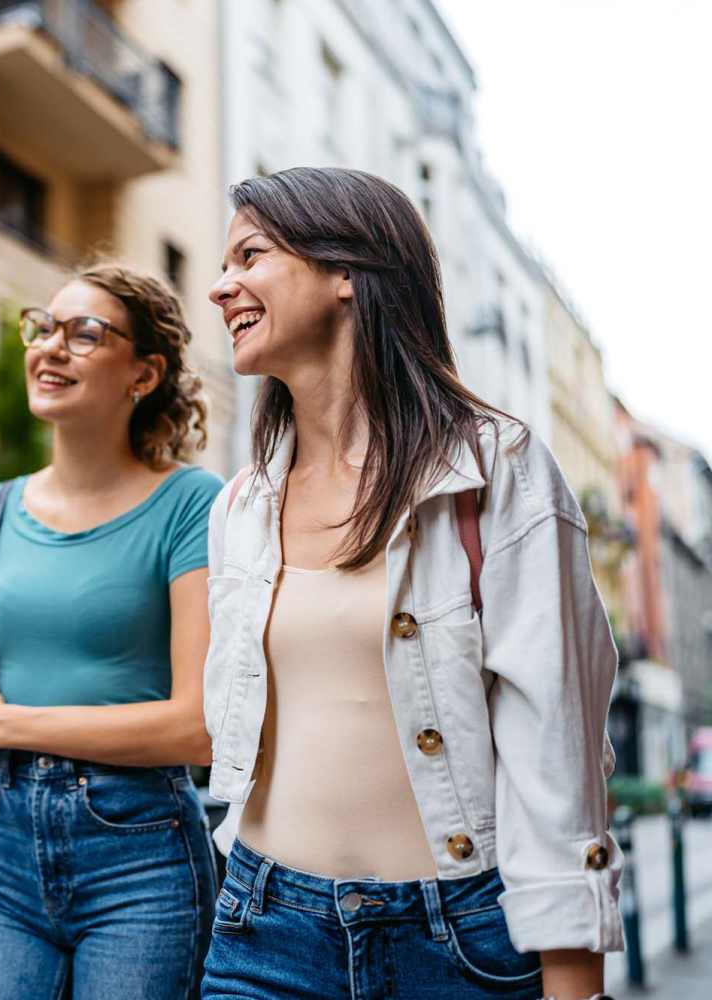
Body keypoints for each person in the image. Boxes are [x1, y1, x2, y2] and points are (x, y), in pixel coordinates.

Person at [201, 167, 621, 1000]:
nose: (221, 287)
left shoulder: (495, 473)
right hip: (263, 933)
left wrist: (576, 984)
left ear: (346, 271)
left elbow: (557, 762)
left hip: (459, 942)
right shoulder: (241, 507)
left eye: (250, 254)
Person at [0, 263, 221, 1000]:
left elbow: (199, 728)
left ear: (144, 375)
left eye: (85, 334)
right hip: (0, 841)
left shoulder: (190, 505)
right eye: (42, 328)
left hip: (139, 852)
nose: (50, 348)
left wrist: (3, 722)